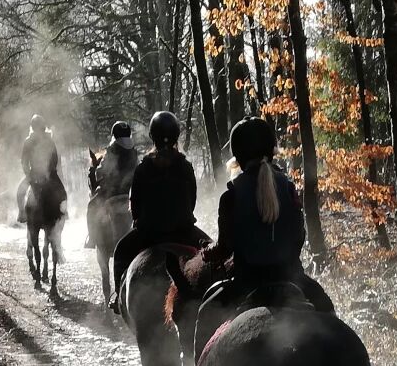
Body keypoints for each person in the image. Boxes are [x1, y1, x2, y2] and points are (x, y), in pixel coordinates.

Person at [201, 116, 332, 312]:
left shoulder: (231, 196)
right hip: (292, 279)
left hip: (247, 284)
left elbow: (225, 249)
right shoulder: (289, 190)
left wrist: (207, 252)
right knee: (327, 309)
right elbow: (299, 237)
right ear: (272, 152)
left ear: (238, 158)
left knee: (205, 313)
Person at [109, 110, 210, 303]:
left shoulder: (143, 168)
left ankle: (117, 298)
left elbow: (135, 204)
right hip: (184, 232)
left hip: (148, 234)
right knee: (212, 252)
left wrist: (141, 221)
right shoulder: (186, 167)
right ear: (176, 136)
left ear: (152, 136)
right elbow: (192, 201)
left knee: (121, 251)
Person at [85, 121, 137, 248]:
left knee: (91, 206)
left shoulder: (112, 150)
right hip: (131, 192)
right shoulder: (133, 152)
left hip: (112, 193)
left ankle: (92, 238)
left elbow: (100, 171)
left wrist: (98, 172)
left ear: (114, 135)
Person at [14, 114, 62, 225]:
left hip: (46, 173)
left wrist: (49, 172)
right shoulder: (29, 141)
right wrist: (29, 174)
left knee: (21, 191)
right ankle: (22, 213)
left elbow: (54, 158)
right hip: (36, 173)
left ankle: (63, 210)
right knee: (20, 192)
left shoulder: (48, 141)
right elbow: (24, 161)